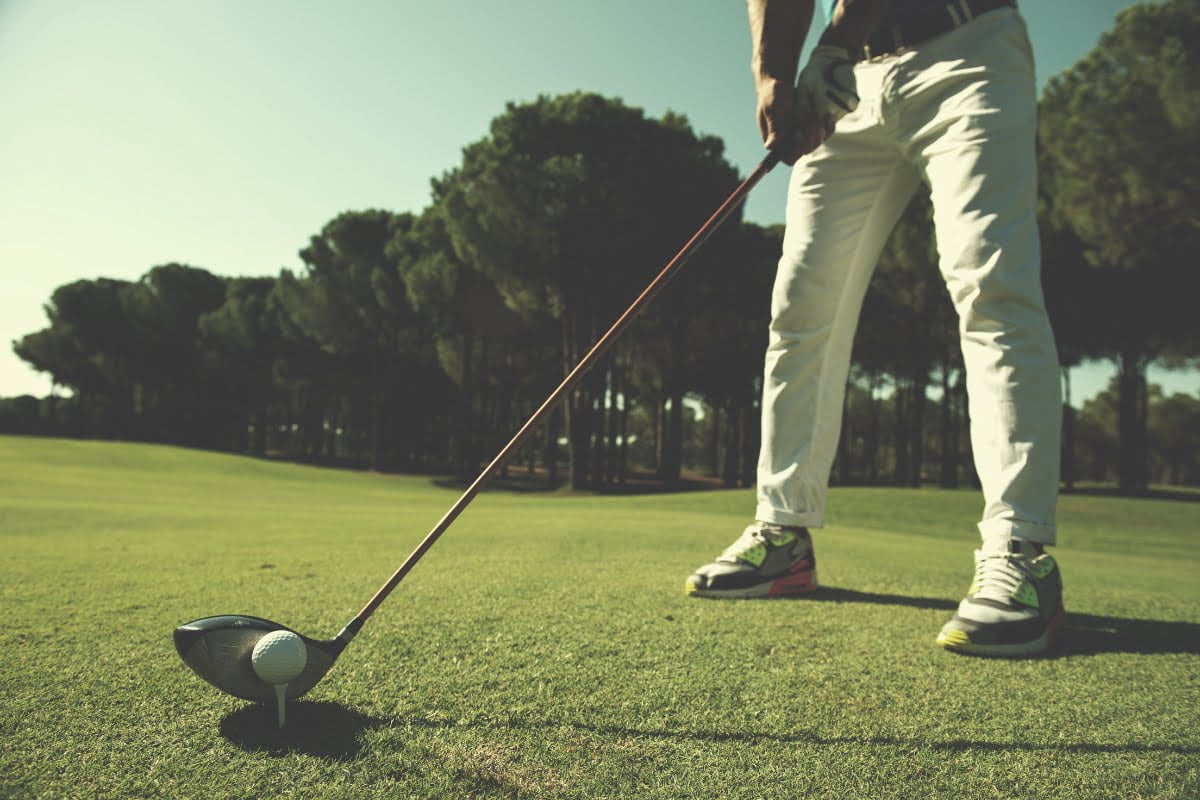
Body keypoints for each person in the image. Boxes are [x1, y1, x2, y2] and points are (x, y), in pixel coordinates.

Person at [685, 0, 1065, 657]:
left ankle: (1021, 549)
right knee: (803, 307)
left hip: (966, 49)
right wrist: (772, 76)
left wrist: (835, 41)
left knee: (988, 283)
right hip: (853, 83)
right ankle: (784, 536)